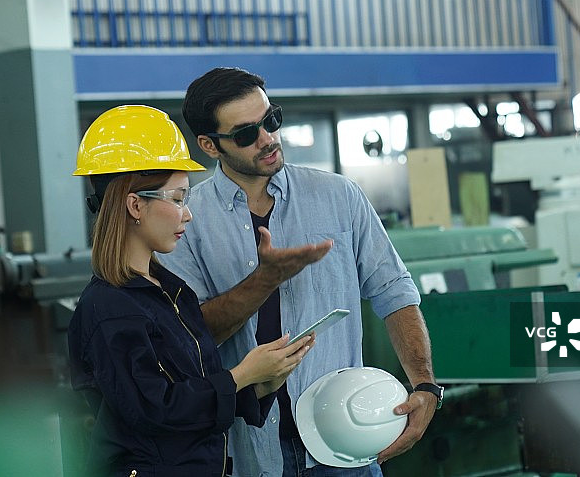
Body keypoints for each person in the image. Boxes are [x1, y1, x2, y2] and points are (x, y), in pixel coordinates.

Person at [161, 67, 442, 476]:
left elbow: (394, 290)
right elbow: (189, 336)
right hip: (245, 450)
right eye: (245, 134)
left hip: (344, 444)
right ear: (209, 145)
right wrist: (264, 280)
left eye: (271, 121)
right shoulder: (188, 219)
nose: (268, 139)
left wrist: (424, 384)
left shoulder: (338, 196)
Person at [68, 105, 314, 477]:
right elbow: (155, 411)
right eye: (178, 198)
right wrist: (242, 375)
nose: (188, 214)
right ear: (135, 204)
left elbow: (193, 394)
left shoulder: (171, 291)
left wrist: (263, 384)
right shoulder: (110, 309)